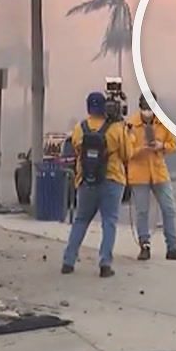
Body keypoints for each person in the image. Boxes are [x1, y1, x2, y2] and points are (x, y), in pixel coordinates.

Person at [62, 92, 134, 278]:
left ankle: (68, 261)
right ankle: (105, 264)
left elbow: (76, 150)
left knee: (81, 220)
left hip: (86, 181)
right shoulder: (117, 128)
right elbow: (128, 154)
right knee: (109, 222)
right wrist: (127, 132)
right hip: (112, 180)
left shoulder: (80, 128)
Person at [126, 94, 176, 262]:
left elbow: (174, 145)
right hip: (139, 174)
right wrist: (141, 148)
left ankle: (173, 247)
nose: (148, 112)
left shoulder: (163, 123)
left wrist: (162, 146)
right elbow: (126, 151)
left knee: (169, 209)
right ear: (140, 107)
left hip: (159, 172)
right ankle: (144, 245)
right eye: (145, 108)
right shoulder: (130, 125)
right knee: (142, 212)